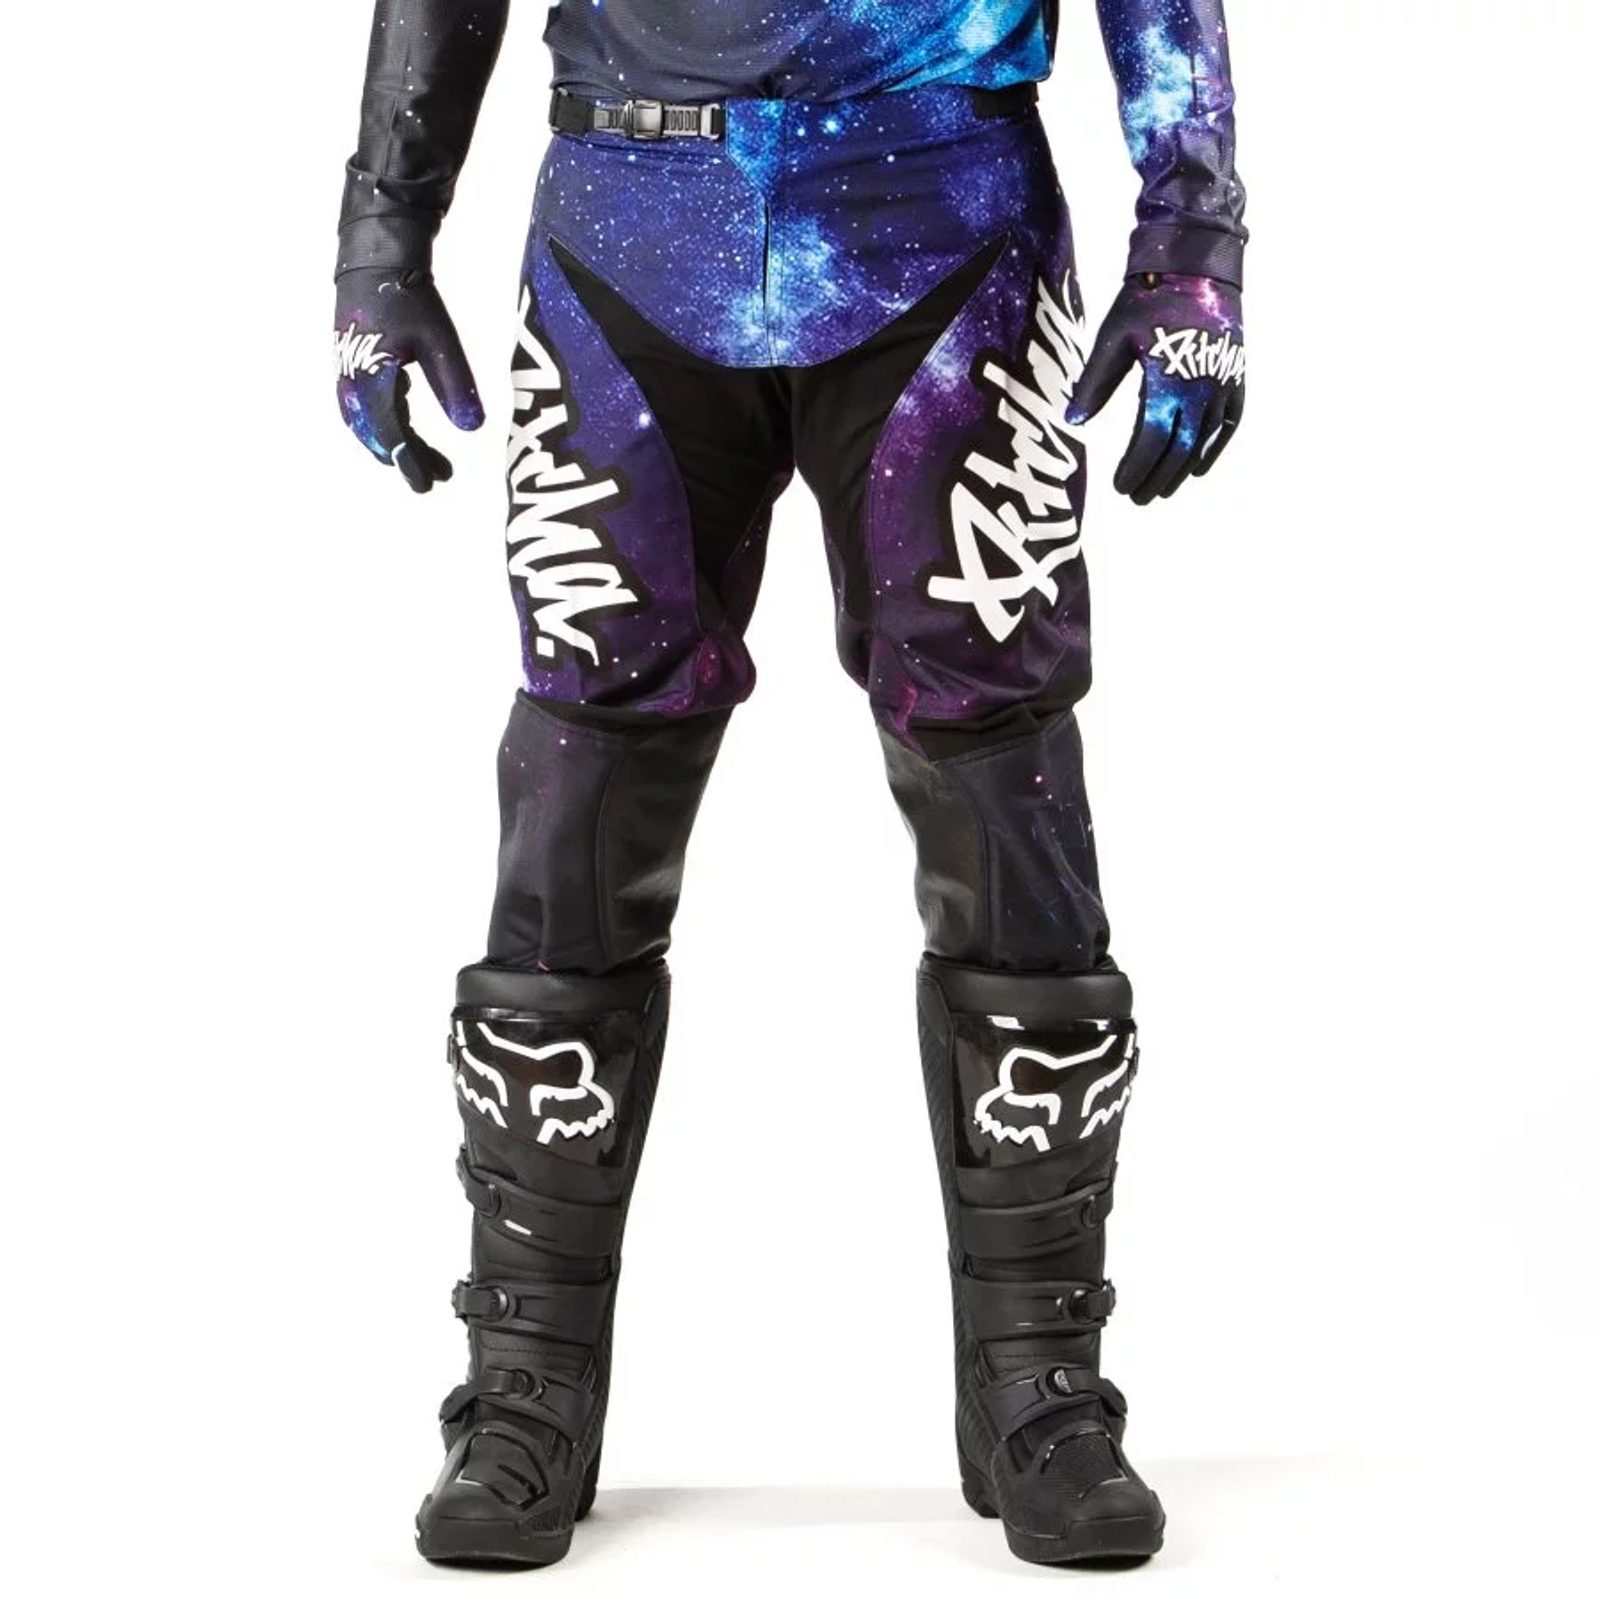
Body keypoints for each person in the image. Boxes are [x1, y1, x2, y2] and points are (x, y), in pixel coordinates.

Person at [332, 0, 1246, 1568]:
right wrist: (379, 243)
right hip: (629, 238)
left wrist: (1192, 241)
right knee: (580, 781)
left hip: (946, 234)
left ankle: (1041, 1381)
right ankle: (525, 1381)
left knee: (1001, 776)